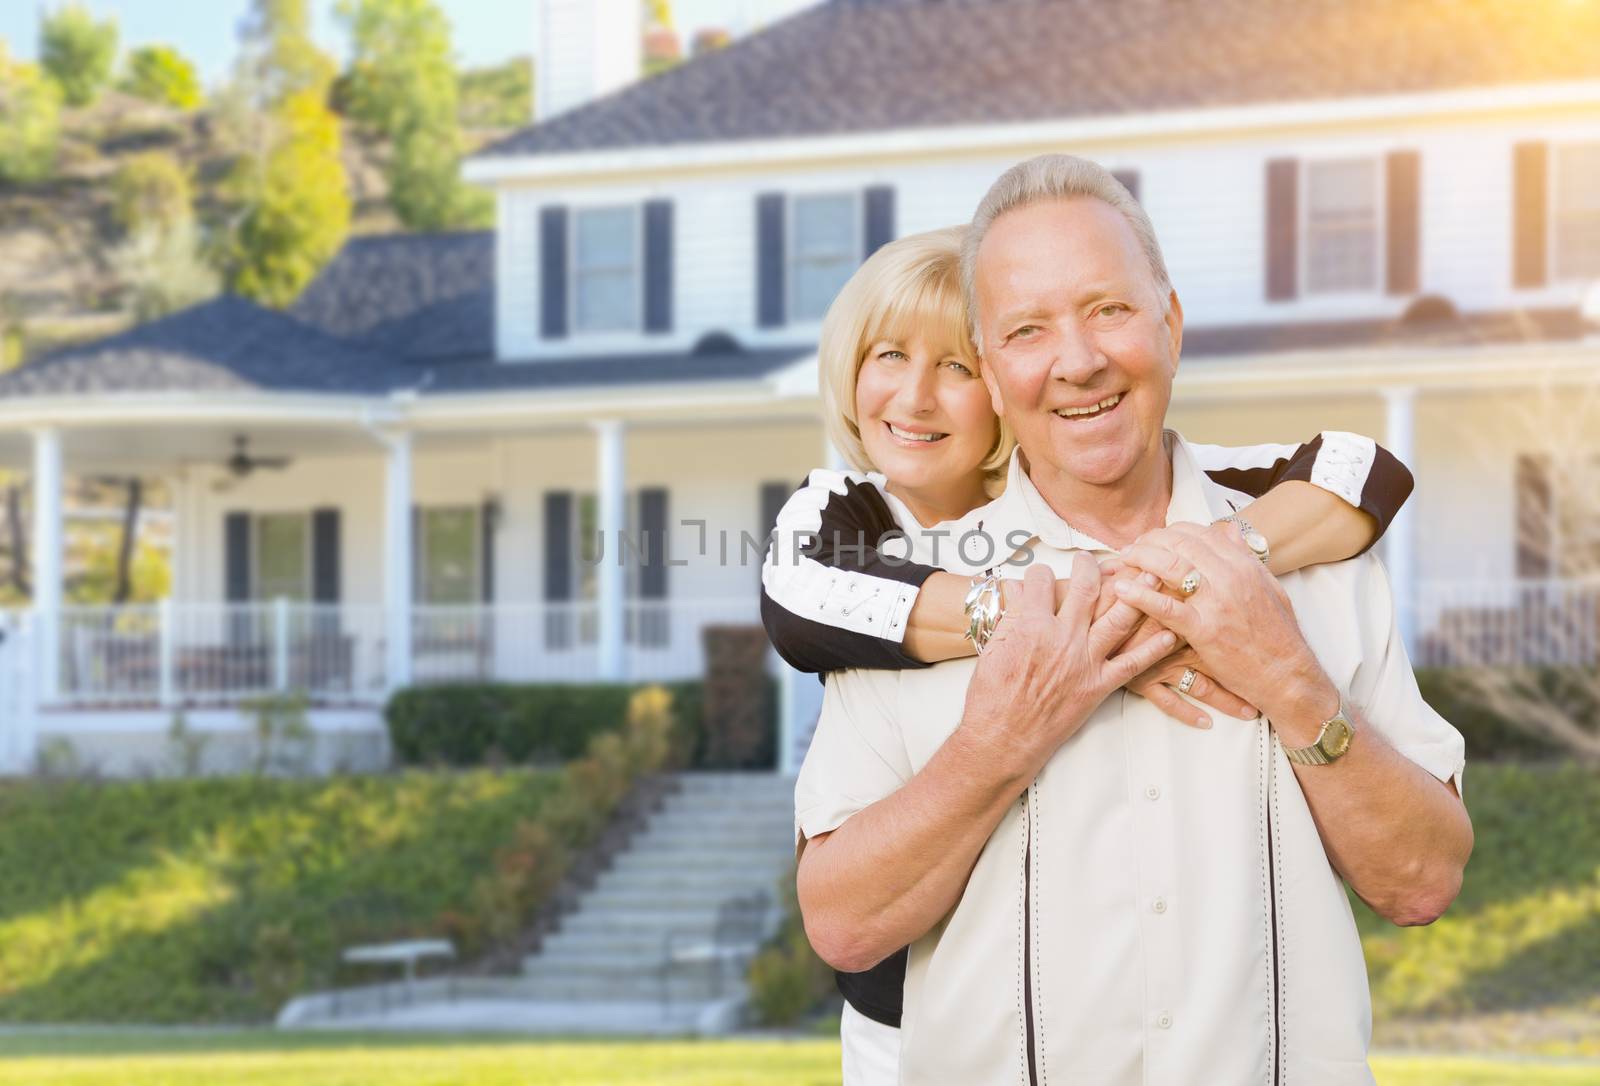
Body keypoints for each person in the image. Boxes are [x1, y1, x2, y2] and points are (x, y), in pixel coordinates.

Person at [792, 155, 1471, 1085]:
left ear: (1171, 324)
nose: (1078, 361)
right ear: (991, 373)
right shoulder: (911, 601)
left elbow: (1423, 881)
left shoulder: (1319, 561)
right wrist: (1003, 736)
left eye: (1109, 310)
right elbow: (841, 919)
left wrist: (1288, 677)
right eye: (1029, 330)